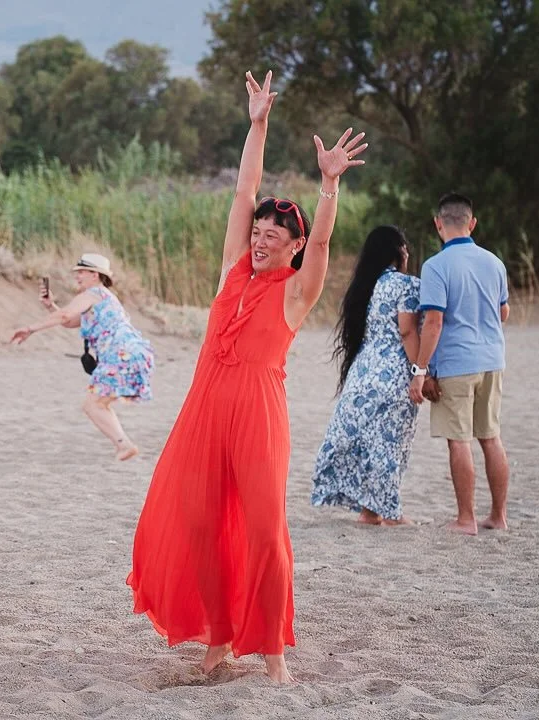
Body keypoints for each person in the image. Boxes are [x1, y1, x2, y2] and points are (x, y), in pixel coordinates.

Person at [126, 70, 368, 683]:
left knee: (264, 529)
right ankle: (219, 640)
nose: (259, 241)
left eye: (272, 237)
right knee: (202, 525)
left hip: (258, 414)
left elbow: (321, 249)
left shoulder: (296, 294)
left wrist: (328, 187)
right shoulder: (234, 270)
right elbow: (244, 190)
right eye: (257, 233)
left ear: (292, 246)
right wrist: (256, 124)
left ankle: (273, 649)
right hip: (204, 409)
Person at [408, 193, 510, 536]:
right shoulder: (494, 262)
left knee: (459, 440)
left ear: (439, 224)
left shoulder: (436, 266)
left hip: (456, 363)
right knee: (491, 437)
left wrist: (420, 371)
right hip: (492, 360)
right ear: (472, 222)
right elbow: (503, 312)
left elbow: (433, 322)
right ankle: (498, 515)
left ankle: (466, 518)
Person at [311, 226, 421, 525]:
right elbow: (408, 331)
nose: (407, 253)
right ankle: (391, 513)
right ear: (397, 251)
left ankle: (369, 512)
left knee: (369, 441)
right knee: (390, 443)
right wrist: (418, 372)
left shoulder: (364, 285)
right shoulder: (405, 285)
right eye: (405, 248)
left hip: (363, 371)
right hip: (392, 373)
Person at [10, 253, 154, 461]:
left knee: (92, 405)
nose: (77, 277)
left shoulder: (93, 293)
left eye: (82, 273)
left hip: (120, 354)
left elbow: (65, 316)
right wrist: (50, 305)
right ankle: (123, 444)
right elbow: (70, 321)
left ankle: (124, 444)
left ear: (95, 275)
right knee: (97, 404)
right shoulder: (103, 297)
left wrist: (30, 329)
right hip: (132, 353)